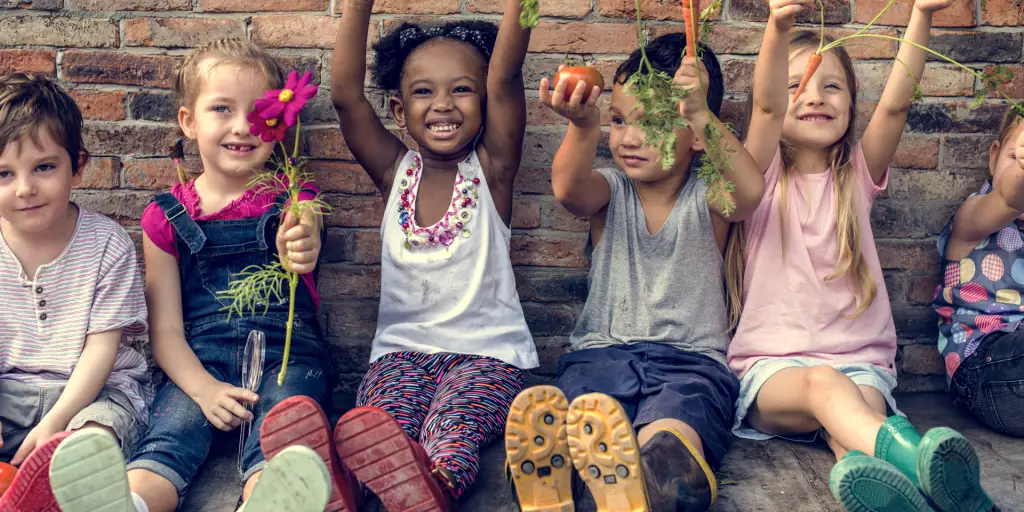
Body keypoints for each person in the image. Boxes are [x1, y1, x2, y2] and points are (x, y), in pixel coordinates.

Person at [44, 39, 343, 512]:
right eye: (222, 108)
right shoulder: (164, 217)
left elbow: (308, 222)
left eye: (260, 112)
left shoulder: (293, 195)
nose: (243, 126)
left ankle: (268, 500)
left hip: (287, 360)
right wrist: (203, 390)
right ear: (188, 121)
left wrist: (302, 238)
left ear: (281, 122)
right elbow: (164, 332)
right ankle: (132, 503)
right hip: (197, 366)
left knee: (283, 430)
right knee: (171, 434)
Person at [729, 1, 995, 511]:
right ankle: (927, 464)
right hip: (773, 372)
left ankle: (916, 498)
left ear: (851, 102)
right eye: (797, 85)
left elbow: (896, 105)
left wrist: (921, 13)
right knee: (828, 392)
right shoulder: (758, 175)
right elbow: (764, 109)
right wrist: (777, 24)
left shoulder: (856, 175)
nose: (815, 95)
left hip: (860, 364)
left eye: (832, 85)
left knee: (854, 433)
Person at [506, 30, 765, 511]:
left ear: (696, 133)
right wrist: (583, 127)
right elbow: (567, 190)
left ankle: (654, 479)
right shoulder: (609, 190)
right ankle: (556, 474)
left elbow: (751, 191)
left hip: (689, 365)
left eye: (656, 123)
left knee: (672, 432)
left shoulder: (709, 197)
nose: (629, 137)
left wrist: (704, 115)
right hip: (601, 355)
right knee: (582, 417)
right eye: (620, 120)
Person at [327, 0, 539, 509]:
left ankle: (435, 487)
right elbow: (346, 98)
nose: (443, 104)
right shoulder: (393, 172)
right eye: (423, 92)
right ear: (400, 112)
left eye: (462, 89)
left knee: (455, 422)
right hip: (401, 356)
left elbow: (507, 77)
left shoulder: (492, 171)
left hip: (488, 358)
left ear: (485, 103)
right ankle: (354, 485)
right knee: (381, 426)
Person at [0, 72, 149, 512]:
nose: (25, 188)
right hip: (9, 390)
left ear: (77, 165)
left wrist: (56, 423)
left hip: (94, 392)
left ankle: (72, 484)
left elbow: (101, 352)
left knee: (98, 434)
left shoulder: (106, 243)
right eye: (4, 173)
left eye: (44, 167)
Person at [933, 107, 1024, 439]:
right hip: (983, 370)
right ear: (995, 157)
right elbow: (1012, 196)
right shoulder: (975, 215)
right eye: (1015, 156)